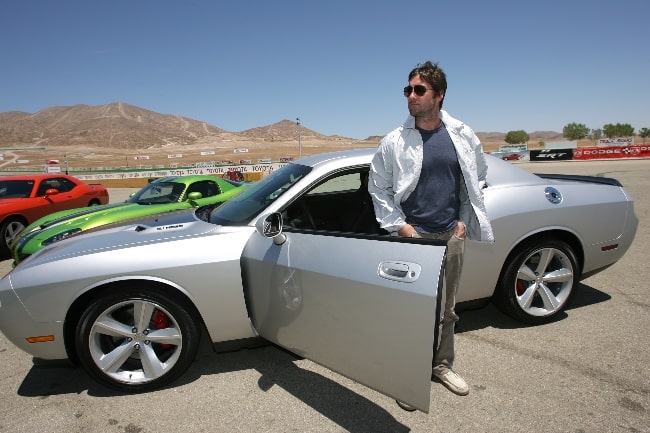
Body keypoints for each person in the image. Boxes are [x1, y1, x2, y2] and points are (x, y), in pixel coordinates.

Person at [368, 61, 494, 397]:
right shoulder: (394, 141)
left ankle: (441, 366)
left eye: (419, 89)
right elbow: (377, 189)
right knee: (411, 311)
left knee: (447, 309)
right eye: (407, 89)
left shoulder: (462, 135)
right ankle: (407, 378)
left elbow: (477, 178)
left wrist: (463, 222)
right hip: (413, 239)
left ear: (438, 95)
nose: (411, 95)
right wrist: (402, 228)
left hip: (450, 236)